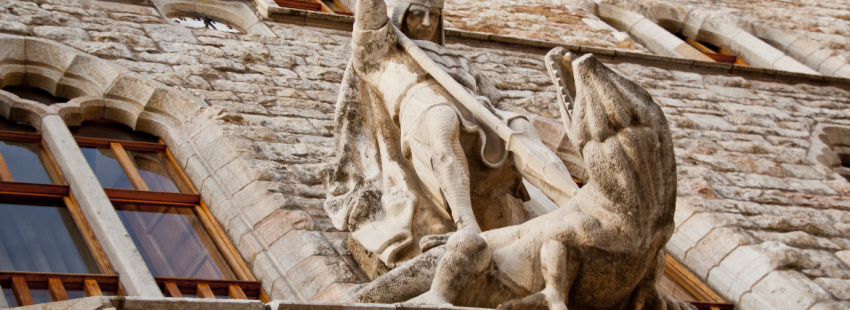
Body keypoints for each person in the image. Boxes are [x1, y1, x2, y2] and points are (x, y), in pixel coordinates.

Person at [323, 0, 579, 268]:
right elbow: (369, 18)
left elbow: (496, 99)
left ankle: (571, 200)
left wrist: (507, 116)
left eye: (433, 15)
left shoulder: (458, 61)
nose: (426, 23)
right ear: (401, 16)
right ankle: (465, 223)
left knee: (522, 125)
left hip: (476, 108)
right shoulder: (380, 52)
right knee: (440, 118)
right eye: (417, 15)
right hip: (419, 101)